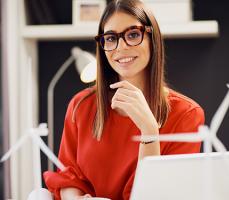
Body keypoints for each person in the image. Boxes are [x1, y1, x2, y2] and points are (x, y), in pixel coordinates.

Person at [43, 0, 204, 199]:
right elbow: (69, 176)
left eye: (133, 34)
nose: (121, 47)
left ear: (152, 38)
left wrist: (149, 130)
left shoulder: (187, 114)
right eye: (111, 38)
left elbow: (157, 194)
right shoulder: (80, 106)